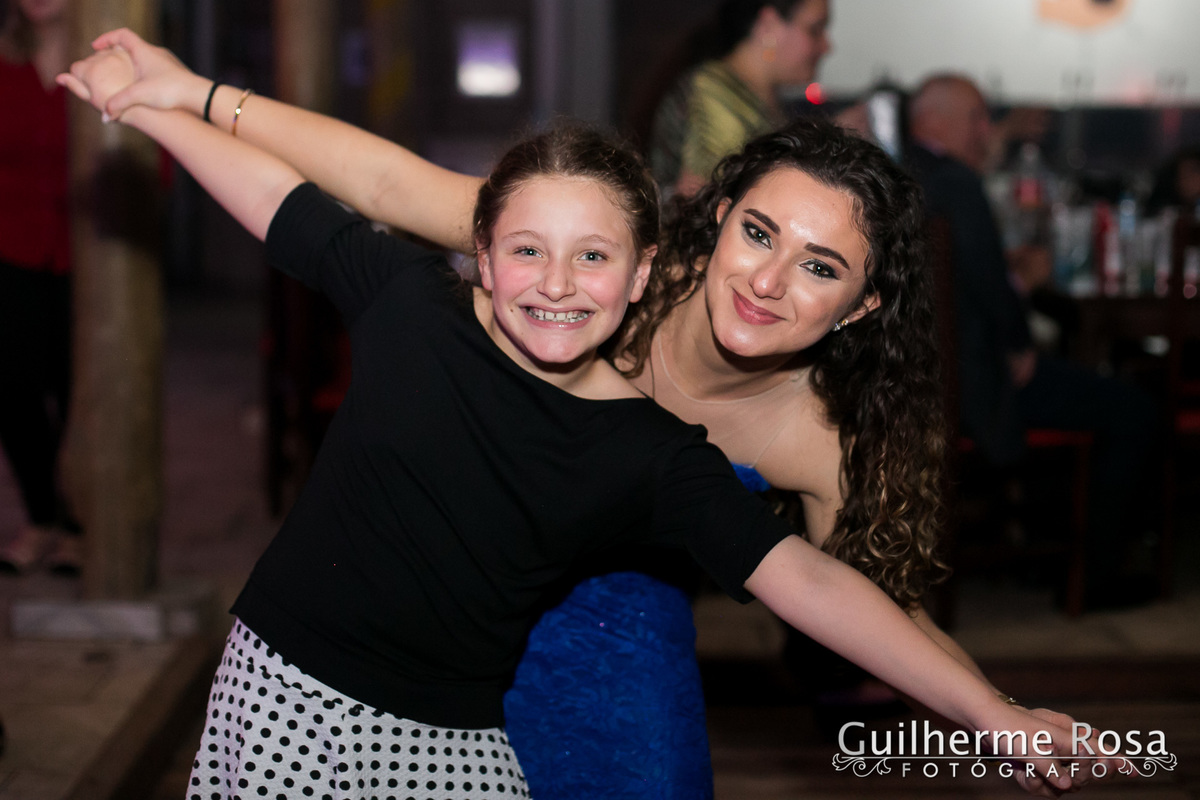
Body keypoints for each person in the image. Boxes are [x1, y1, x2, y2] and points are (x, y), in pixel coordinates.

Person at [79, 30, 1098, 800]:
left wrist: (994, 711)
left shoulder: (807, 438)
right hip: (441, 617)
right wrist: (192, 94)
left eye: (821, 266)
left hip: (618, 643)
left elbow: (836, 590)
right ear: (710, 225)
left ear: (862, 303)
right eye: (758, 232)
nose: (769, 281)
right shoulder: (596, 260)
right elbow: (385, 187)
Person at [906, 73, 1157, 610]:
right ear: (934, 120)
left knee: (1072, 388)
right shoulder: (956, 183)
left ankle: (1047, 557)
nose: (984, 130)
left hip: (924, 385)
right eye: (976, 118)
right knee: (1131, 409)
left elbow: (965, 284)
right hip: (977, 391)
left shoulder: (902, 176)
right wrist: (1018, 343)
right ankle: (1093, 578)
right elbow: (991, 290)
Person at [0, 0, 82, 574]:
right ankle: (41, 517)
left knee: (80, 389)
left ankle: (80, 523)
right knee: (13, 388)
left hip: (91, 257)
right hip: (11, 249)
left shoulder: (105, 65)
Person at [645, 0, 830, 196]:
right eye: (815, 29)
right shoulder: (714, 91)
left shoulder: (758, 95)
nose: (826, 46)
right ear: (769, 24)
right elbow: (701, 197)